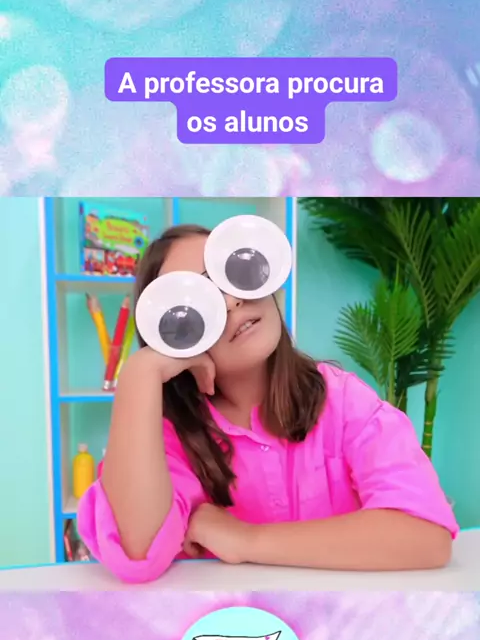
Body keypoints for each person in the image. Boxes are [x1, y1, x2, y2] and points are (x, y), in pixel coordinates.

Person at [77, 224, 458, 583]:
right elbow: (137, 552)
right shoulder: (168, 439)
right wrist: (139, 374)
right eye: (197, 302)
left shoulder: (343, 401)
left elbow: (425, 534)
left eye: (234, 273)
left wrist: (247, 540)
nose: (232, 301)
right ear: (172, 337)